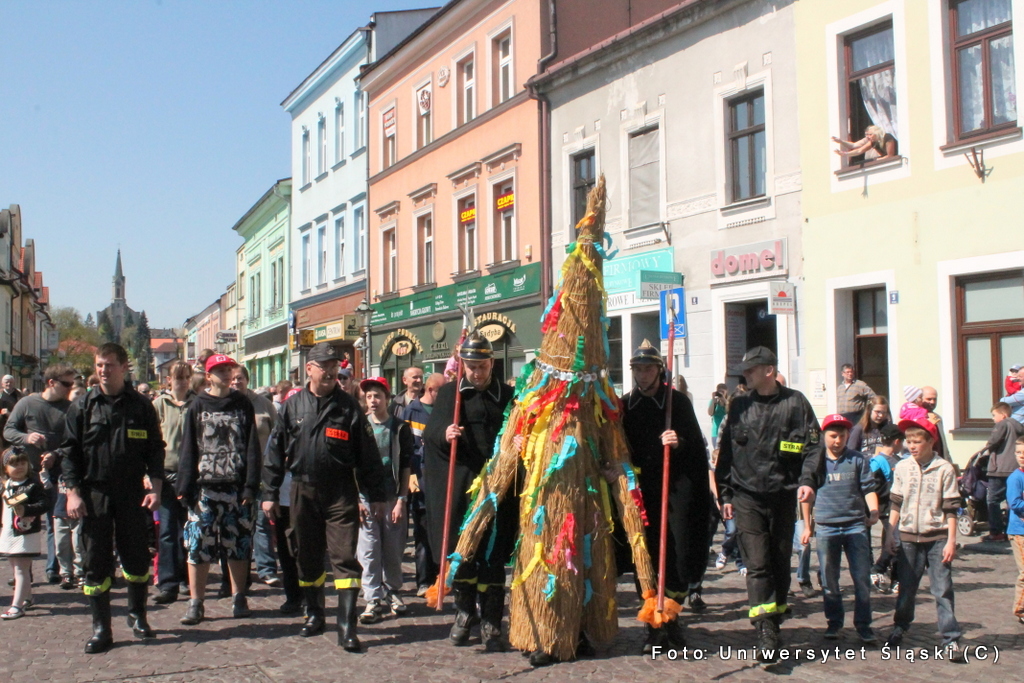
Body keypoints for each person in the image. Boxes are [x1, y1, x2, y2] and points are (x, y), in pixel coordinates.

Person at [262, 342, 389, 652]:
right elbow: (275, 451)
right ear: (309, 369)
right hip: (302, 490)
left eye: (335, 366)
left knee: (345, 558)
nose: (332, 371)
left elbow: (368, 456)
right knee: (306, 556)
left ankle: (347, 626)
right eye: (325, 366)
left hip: (340, 492)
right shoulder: (292, 406)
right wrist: (268, 492)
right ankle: (314, 614)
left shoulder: (348, 408)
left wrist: (376, 495)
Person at [715, 346, 822, 663]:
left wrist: (807, 480)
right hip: (747, 496)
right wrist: (726, 495)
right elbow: (727, 453)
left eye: (751, 370)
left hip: (783, 495)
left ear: (770, 371)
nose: (744, 375)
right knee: (758, 563)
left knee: (778, 562)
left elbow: (813, 448)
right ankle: (764, 630)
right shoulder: (739, 406)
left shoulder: (795, 403)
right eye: (744, 371)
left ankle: (773, 620)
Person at [62, 343, 165, 654]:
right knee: (96, 562)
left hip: (132, 493)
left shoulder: (141, 406)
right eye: (99, 364)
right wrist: (72, 492)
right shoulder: (82, 406)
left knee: (136, 558)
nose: (103, 370)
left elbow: (155, 450)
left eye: (109, 364)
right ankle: (101, 628)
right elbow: (69, 452)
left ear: (124, 366)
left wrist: (156, 487)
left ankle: (138, 616)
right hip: (94, 495)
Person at [422, 332, 516, 651]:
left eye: (483, 366)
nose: (477, 373)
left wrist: (517, 442)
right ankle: (464, 613)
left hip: (497, 484)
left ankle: (491, 619)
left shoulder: (506, 394)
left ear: (492, 363)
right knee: (464, 551)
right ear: (463, 365)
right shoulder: (451, 393)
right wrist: (443, 433)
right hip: (463, 483)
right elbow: (432, 433)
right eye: (471, 366)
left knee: (491, 554)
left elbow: (517, 427)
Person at [621, 340, 711, 651]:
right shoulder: (626, 405)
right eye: (638, 369)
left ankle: (671, 618)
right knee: (645, 557)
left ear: (660, 370)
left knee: (677, 555)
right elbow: (618, 449)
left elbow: (697, 452)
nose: (643, 374)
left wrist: (678, 442)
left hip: (675, 491)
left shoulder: (677, 403)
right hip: (642, 493)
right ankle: (652, 626)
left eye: (648, 368)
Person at [175, 354, 262, 625]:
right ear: (208, 374)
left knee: (239, 545)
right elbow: (188, 446)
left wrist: (250, 486)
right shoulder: (197, 405)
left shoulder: (242, 403)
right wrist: (184, 486)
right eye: (219, 370)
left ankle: (239, 597)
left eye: (228, 369)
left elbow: (252, 447)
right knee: (198, 547)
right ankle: (196, 602)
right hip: (204, 490)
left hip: (237, 488)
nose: (226, 374)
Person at [883, 417, 965, 661]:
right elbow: (896, 502)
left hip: (937, 537)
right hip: (908, 537)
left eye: (917, 441)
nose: (912, 446)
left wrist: (951, 540)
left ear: (930, 441)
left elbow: (952, 508)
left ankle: (950, 638)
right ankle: (900, 626)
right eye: (908, 442)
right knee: (907, 589)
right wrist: (889, 533)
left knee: (942, 590)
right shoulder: (904, 468)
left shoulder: (944, 469)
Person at [800, 414, 879, 643]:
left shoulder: (857, 459)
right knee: (829, 579)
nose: (838, 440)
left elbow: (868, 488)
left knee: (861, 578)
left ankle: (863, 625)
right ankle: (834, 622)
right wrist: (807, 526)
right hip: (826, 526)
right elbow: (805, 496)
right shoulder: (816, 461)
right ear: (824, 435)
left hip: (855, 526)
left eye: (842, 436)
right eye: (833, 436)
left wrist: (873, 511)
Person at [3, 363, 77, 585]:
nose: (70, 388)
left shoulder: (70, 408)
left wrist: (56, 453)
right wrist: (26, 438)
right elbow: (9, 430)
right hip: (28, 475)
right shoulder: (27, 403)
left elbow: (73, 442)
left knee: (55, 521)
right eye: (66, 384)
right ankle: (23, 573)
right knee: (22, 520)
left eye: (72, 384)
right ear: (51, 383)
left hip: (58, 473)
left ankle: (53, 568)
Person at [357, 377, 412, 623]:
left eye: (377, 395)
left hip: (391, 497)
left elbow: (406, 467)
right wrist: (357, 498)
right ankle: (372, 598)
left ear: (387, 399)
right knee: (369, 550)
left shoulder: (400, 427)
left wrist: (402, 499)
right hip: (367, 498)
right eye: (369, 396)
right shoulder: (360, 426)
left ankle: (392, 591)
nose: (373, 401)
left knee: (392, 548)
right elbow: (353, 466)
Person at [230, 365, 280, 588]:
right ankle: (236, 573)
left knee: (262, 522)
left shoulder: (263, 404)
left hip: (261, 471)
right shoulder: (225, 404)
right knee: (236, 524)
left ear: (247, 380)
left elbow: (279, 434)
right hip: (234, 473)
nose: (235, 383)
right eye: (231, 379)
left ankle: (266, 568)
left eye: (239, 378)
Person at [151, 361, 194, 604]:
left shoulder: (196, 403)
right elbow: (151, 440)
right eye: (178, 377)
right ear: (169, 380)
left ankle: (188, 578)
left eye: (186, 377)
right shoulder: (159, 405)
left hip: (190, 476)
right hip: (165, 475)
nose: (182, 381)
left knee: (189, 531)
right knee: (167, 531)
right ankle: (168, 583)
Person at [403, 372, 443, 595]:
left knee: (438, 531)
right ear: (431, 390)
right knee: (422, 533)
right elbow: (407, 450)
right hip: (418, 479)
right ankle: (423, 580)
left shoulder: (442, 411)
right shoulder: (413, 411)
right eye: (441, 391)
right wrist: (412, 486)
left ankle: (440, 577)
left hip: (438, 481)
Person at [0, 447, 47, 619]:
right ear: (5, 467)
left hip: (25, 532)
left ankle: (16, 606)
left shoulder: (32, 485)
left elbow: (44, 504)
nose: (19, 467)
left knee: (21, 569)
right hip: (8, 531)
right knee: (17, 569)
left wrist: (26, 509)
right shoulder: (5, 485)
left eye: (22, 463)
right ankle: (27, 597)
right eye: (14, 464)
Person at [981, 403, 1024, 543]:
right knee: (1012, 501)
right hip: (1014, 468)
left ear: (1003, 415)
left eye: (994, 415)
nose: (993, 419)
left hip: (999, 469)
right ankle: (1010, 529)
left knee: (992, 500)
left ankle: (996, 531)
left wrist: (985, 449)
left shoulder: (1002, 424)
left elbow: (992, 442)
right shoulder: (1019, 426)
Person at [870, 423, 905, 593]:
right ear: (897, 441)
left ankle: (895, 577)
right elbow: (873, 488)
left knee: (896, 542)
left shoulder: (899, 460)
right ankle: (878, 569)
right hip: (886, 508)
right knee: (896, 542)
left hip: (898, 507)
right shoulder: (878, 462)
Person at [1007, 436, 1024, 624]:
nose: (1022, 456)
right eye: (1018, 453)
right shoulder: (1016, 478)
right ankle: (1021, 609)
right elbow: (1015, 503)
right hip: (1019, 531)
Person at [831, 125, 898, 161]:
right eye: (867, 135)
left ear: (877, 133)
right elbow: (859, 150)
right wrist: (845, 154)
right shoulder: (873, 142)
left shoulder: (887, 137)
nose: (868, 137)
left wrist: (878, 160)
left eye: (870, 134)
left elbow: (890, 155)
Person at [0, 375, 23, 449]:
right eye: (6, 382)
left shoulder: (19, 396)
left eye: (11, 382)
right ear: (2, 384)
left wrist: (9, 414)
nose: (9, 384)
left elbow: (22, 411)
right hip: (2, 425)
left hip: (16, 425)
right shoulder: (0, 395)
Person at [708, 383, 728, 449]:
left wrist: (724, 400)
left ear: (726, 392)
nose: (721, 393)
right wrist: (713, 400)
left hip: (726, 432)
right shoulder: (714, 401)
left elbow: (730, 411)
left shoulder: (728, 402)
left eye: (723, 392)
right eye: (719, 392)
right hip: (716, 433)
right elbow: (710, 413)